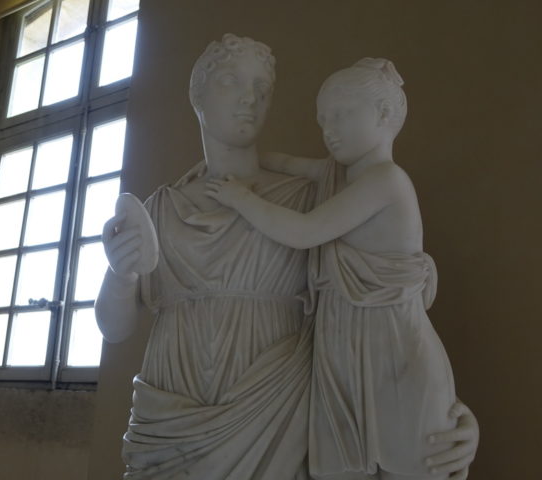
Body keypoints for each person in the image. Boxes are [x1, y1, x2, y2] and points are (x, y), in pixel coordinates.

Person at [96, 37, 478, 480]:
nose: (249, 98)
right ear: (197, 95)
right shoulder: (160, 208)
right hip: (170, 414)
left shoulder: (312, 196)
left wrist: (438, 418)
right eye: (231, 81)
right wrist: (120, 275)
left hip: (277, 412)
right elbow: (113, 328)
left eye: (262, 87)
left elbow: (388, 297)